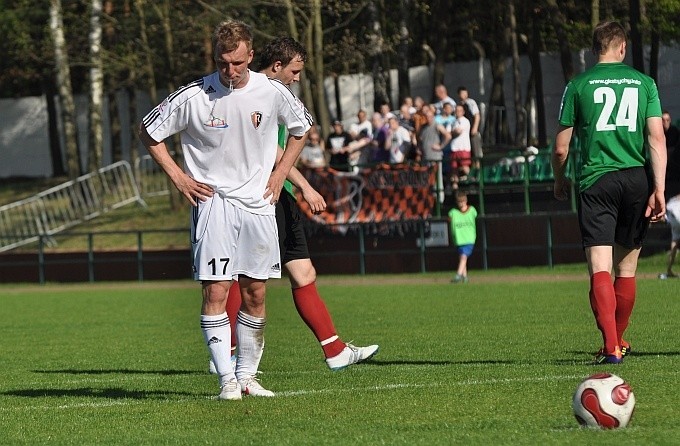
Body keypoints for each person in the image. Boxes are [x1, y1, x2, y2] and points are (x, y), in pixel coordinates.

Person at [138, 20, 312, 400]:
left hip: (259, 206)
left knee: (256, 293)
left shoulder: (272, 91)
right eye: (222, 63)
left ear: (251, 56)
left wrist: (280, 173)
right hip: (213, 205)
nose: (230, 71)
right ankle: (226, 380)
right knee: (216, 290)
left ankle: (248, 376)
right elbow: (149, 132)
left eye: (237, 62)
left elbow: (302, 128)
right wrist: (180, 178)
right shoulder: (194, 96)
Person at [222, 36, 379, 373]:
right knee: (242, 276)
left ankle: (334, 350)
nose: (297, 77)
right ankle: (230, 354)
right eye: (294, 70)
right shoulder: (256, 93)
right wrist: (305, 186)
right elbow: (271, 151)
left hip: (282, 196)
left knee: (303, 271)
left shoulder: (277, 94)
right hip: (261, 196)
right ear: (277, 65)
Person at [551, 21, 666, 365]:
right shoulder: (645, 83)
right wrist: (658, 188)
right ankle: (618, 341)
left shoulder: (578, 85)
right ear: (622, 48)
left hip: (596, 181)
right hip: (636, 180)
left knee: (600, 267)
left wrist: (560, 179)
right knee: (626, 269)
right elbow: (656, 138)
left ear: (594, 48)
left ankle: (612, 346)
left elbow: (560, 148)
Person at [418, 107, 452, 203]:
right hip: (425, 158)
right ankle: (429, 199)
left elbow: (448, 136)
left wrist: (441, 146)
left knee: (438, 179)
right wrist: (419, 148)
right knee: (427, 180)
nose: (428, 118)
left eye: (430, 116)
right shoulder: (422, 127)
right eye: (426, 116)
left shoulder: (437, 125)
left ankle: (440, 200)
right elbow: (419, 139)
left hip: (435, 157)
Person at [448, 190, 477, 283]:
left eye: (462, 201)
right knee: (462, 258)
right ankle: (465, 277)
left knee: (464, 257)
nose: (461, 203)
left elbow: (475, 215)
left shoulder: (472, 210)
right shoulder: (453, 213)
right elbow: (449, 219)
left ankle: (458, 275)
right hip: (459, 239)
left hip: (469, 239)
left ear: (466, 201)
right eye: (459, 201)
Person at [457, 86, 483, 168]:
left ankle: (478, 170)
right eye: (462, 93)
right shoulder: (459, 105)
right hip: (465, 134)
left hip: (472, 131)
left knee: (476, 152)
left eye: (465, 93)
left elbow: (477, 115)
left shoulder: (470, 102)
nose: (464, 95)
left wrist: (475, 128)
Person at [449, 103, 472, 188]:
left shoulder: (465, 121)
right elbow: (448, 132)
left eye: (459, 110)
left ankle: (471, 184)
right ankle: (455, 187)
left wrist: (452, 132)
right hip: (454, 148)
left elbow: (458, 131)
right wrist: (452, 131)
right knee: (454, 169)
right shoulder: (453, 122)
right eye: (456, 110)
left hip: (464, 148)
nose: (457, 112)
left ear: (463, 112)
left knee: (465, 167)